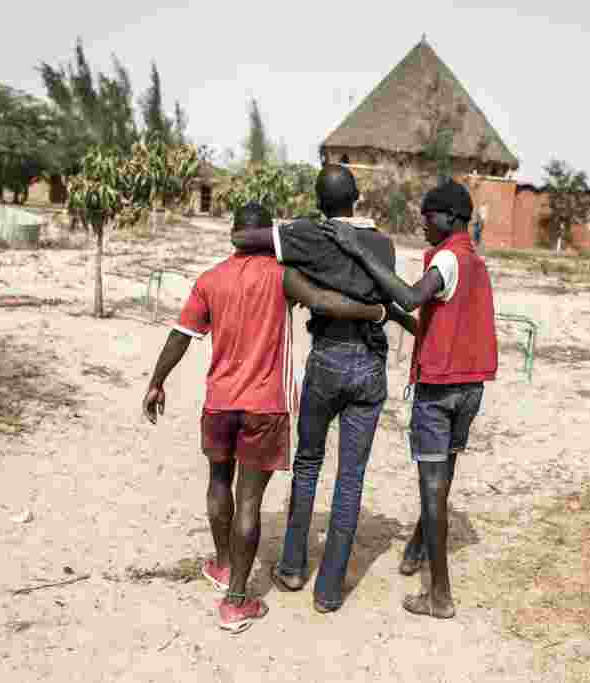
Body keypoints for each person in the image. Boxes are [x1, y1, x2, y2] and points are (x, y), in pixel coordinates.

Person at [142, 202, 389, 633]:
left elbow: (181, 335)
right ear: (268, 236)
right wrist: (376, 312)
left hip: (219, 402)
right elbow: (325, 301)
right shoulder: (283, 275)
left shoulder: (210, 279)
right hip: (264, 405)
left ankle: (222, 566)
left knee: (219, 483)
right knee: (250, 500)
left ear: (236, 234)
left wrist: (156, 382)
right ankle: (237, 600)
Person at [320, 179, 498, 619]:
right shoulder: (474, 261)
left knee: (432, 487)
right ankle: (418, 545)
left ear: (452, 219)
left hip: (439, 392)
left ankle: (438, 596)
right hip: (470, 387)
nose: (422, 222)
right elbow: (438, 317)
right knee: (443, 476)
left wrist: (357, 251)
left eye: (429, 215)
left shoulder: (448, 259)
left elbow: (410, 296)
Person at [230, 164, 399, 613]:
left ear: (321, 202)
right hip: (370, 361)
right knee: (351, 477)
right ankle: (328, 591)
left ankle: (290, 567)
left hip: (327, 356)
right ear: (357, 197)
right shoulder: (384, 243)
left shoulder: (312, 235)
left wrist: (298, 242)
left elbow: (244, 239)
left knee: (307, 463)